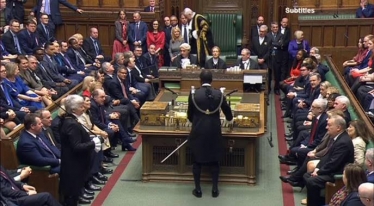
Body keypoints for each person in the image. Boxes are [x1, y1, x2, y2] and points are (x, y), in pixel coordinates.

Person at [187, 70, 233, 198]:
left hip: (198, 131)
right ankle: (214, 189)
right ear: (211, 80)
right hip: (214, 131)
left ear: (200, 80)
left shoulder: (193, 94)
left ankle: (198, 190)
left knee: (197, 161)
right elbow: (228, 113)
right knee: (214, 161)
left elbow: (189, 115)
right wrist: (229, 119)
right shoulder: (219, 94)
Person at [59, 95, 101, 206]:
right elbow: (76, 146)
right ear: (73, 109)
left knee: (75, 193)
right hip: (73, 165)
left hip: (76, 163)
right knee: (72, 195)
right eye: (81, 106)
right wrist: (93, 143)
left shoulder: (71, 120)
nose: (83, 108)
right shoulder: (71, 124)